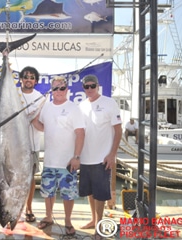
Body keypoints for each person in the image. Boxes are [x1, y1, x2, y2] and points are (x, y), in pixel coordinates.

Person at [32, 76, 85, 236]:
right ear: (52, 91)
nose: (59, 91)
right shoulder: (46, 107)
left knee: (68, 194)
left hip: (67, 161)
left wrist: (76, 156)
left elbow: (80, 133)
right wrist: (33, 119)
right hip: (49, 160)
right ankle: (48, 217)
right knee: (48, 192)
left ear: (67, 90)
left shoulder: (73, 108)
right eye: (55, 88)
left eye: (62, 88)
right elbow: (41, 126)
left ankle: (68, 221)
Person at [78, 75, 122, 238]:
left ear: (98, 86)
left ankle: (99, 225)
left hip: (102, 158)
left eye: (92, 86)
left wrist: (112, 155)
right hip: (85, 157)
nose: (89, 89)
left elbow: (118, 131)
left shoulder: (109, 103)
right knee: (90, 192)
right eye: (86, 86)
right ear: (83, 88)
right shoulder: (81, 106)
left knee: (100, 195)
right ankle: (93, 219)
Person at [18, 66, 45, 223]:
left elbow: (42, 123)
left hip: (32, 147)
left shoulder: (41, 98)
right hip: (13, 147)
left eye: (32, 77)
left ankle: (28, 208)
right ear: (21, 78)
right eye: (26, 76)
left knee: (30, 179)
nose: (29, 79)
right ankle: (14, 210)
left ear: (35, 81)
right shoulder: (13, 94)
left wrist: (33, 119)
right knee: (13, 178)